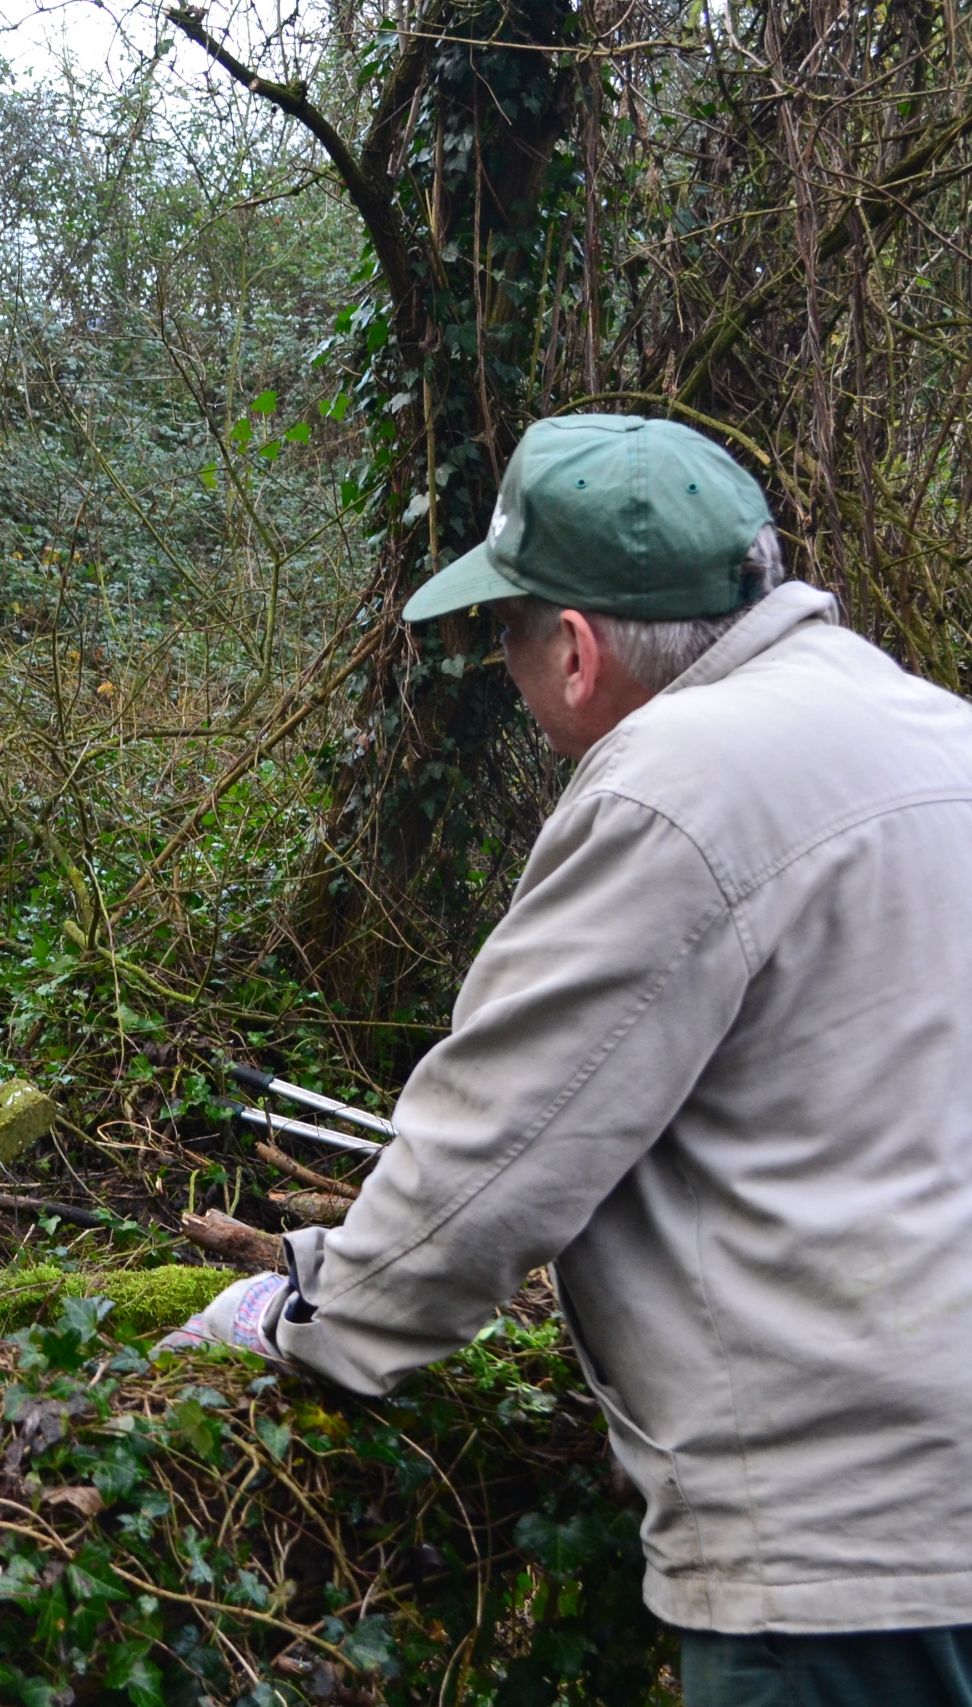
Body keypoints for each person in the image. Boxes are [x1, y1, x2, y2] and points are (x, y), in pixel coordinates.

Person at [166, 415, 972, 1703]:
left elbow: (505, 1148)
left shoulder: (678, 781)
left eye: (508, 636)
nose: (509, 671)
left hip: (843, 1556)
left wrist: (310, 1319)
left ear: (578, 649)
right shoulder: (932, 729)